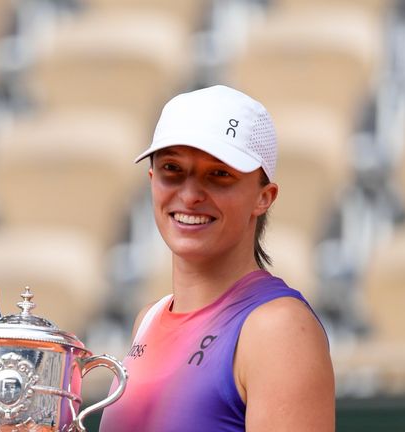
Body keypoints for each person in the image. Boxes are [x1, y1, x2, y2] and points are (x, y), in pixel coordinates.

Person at [99, 85, 335, 431]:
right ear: (152, 180)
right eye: (171, 168)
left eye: (219, 174)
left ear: (263, 197)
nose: (190, 194)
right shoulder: (147, 320)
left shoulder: (279, 329)